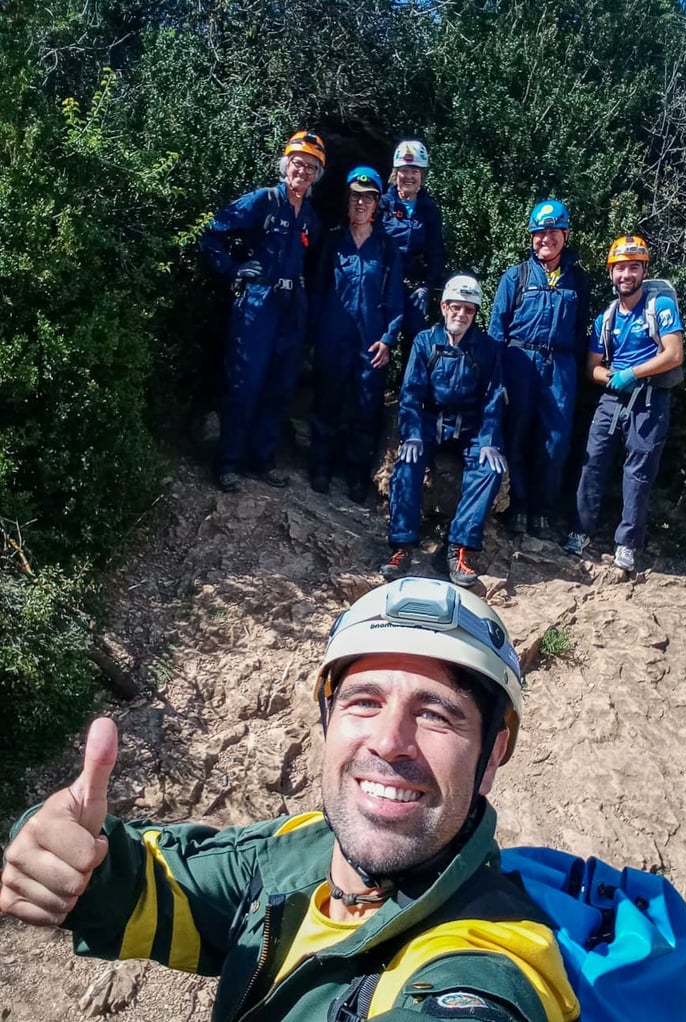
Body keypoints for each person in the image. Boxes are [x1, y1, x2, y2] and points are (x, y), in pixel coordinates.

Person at [0, 577, 579, 1022]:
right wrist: (72, 859)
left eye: (435, 713)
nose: (388, 741)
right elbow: (160, 885)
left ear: (491, 757)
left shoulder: (494, 959)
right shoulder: (298, 849)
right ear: (328, 722)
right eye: (364, 701)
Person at [199, 130, 325, 493]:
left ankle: (262, 458)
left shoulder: (309, 217)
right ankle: (228, 463)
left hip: (291, 307)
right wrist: (233, 269)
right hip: (258, 304)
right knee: (245, 384)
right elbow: (212, 232)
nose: (302, 171)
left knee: (279, 385)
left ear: (317, 175)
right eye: (298, 163)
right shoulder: (263, 200)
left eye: (311, 166)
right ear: (286, 165)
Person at [563, 235, 685, 572]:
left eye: (633, 267)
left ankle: (627, 545)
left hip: (649, 399)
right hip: (612, 399)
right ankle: (580, 531)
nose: (625, 275)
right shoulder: (607, 317)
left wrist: (632, 372)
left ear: (644, 270)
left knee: (638, 474)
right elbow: (593, 367)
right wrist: (611, 378)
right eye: (620, 269)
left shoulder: (660, 307)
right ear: (611, 273)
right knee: (592, 464)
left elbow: (674, 354)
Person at [381, 275, 506, 587]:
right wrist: (409, 432)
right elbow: (410, 392)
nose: (460, 315)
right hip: (430, 420)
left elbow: (494, 396)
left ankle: (458, 547)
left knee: (489, 469)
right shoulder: (425, 341)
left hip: (470, 424)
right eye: (455, 307)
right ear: (443, 307)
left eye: (468, 309)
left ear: (475, 313)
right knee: (407, 464)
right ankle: (402, 546)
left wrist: (490, 439)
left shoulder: (486, 348)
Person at [489, 200, 591, 538]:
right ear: (531, 236)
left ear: (565, 234)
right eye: (539, 232)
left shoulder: (578, 281)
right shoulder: (514, 276)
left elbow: (579, 332)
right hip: (519, 362)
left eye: (552, 232)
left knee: (556, 441)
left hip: (560, 366)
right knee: (516, 434)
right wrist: (497, 375)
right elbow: (496, 330)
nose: (545, 238)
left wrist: (574, 370)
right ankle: (517, 507)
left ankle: (542, 510)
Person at [309, 166, 403, 504]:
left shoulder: (388, 248)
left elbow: (395, 298)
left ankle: (355, 474)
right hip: (333, 337)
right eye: (355, 196)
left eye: (368, 197)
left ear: (378, 203)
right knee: (327, 403)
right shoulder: (333, 240)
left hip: (371, 341)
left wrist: (389, 338)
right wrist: (315, 334)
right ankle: (320, 466)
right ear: (347, 199)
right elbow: (318, 291)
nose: (361, 202)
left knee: (366, 410)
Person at [379, 140, 446, 371]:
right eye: (404, 171)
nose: (409, 176)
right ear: (395, 173)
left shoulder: (429, 209)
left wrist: (427, 287)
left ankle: (409, 401)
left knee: (415, 349)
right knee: (378, 343)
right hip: (383, 286)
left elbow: (437, 252)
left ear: (422, 175)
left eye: (414, 171)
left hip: (413, 289)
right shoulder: (382, 205)